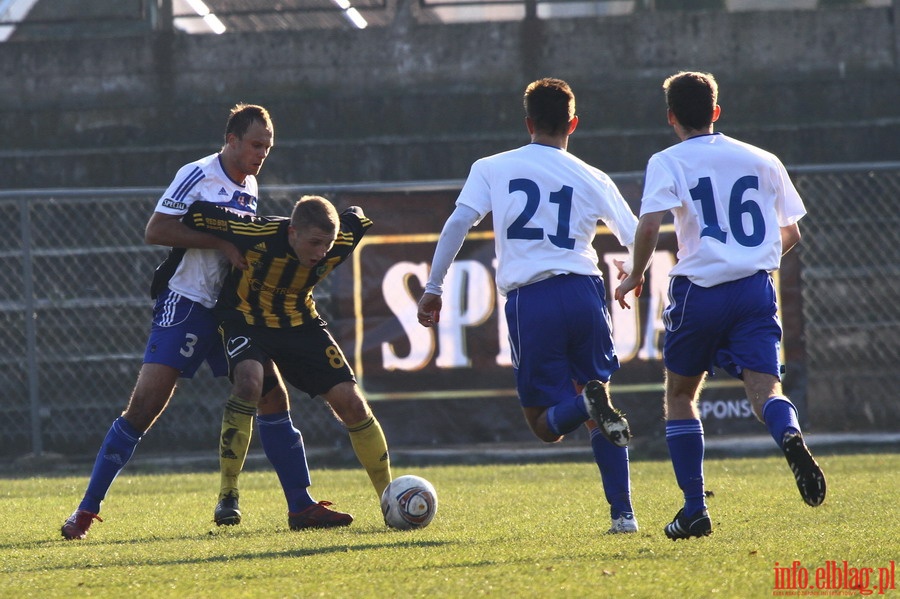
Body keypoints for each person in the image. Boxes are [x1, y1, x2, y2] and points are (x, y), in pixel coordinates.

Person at [417, 78, 640, 534]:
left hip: (532, 298)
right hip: (584, 292)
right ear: (573, 124)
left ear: (528, 122)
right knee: (597, 401)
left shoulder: (494, 166)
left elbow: (459, 221)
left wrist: (434, 285)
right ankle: (624, 515)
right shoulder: (593, 175)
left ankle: (588, 404)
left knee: (544, 425)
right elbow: (637, 235)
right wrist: (633, 273)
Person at [61, 104, 290, 540]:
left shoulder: (251, 185)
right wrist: (221, 243)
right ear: (232, 141)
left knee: (268, 392)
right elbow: (157, 230)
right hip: (185, 303)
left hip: (227, 311)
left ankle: (299, 505)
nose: (263, 153)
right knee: (144, 407)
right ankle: (86, 512)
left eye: (268, 147)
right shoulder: (198, 173)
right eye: (256, 144)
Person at [614, 71, 827, 541]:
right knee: (766, 392)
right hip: (754, 289)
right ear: (716, 112)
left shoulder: (667, 160)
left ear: (671, 117)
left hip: (700, 290)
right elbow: (791, 232)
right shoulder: (763, 159)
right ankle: (788, 434)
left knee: (681, 396)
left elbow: (649, 226)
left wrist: (634, 274)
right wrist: (753, 259)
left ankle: (694, 508)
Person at [183, 195, 393, 530]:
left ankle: (390, 498)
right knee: (250, 382)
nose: (321, 253)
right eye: (313, 243)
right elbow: (197, 213)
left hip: (300, 325)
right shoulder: (256, 232)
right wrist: (224, 243)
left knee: (352, 403)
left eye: (326, 244)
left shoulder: (342, 240)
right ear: (292, 232)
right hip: (245, 321)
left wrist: (341, 222)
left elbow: (355, 214)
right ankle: (228, 495)